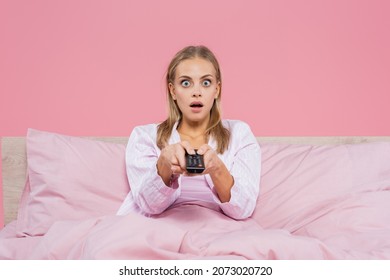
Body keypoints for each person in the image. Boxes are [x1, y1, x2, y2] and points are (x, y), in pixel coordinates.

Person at [117, 45, 261, 220]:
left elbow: (243, 210)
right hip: (158, 226)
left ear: (217, 90)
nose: (196, 92)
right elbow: (149, 206)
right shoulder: (144, 136)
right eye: (186, 83)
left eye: (206, 83)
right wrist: (163, 164)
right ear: (173, 91)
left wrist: (217, 168)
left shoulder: (239, 133)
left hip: (218, 228)